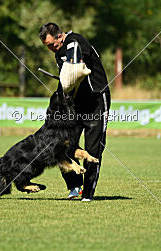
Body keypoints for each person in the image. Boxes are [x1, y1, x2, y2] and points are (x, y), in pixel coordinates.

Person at [39, 22, 111, 201]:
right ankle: (75, 186)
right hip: (75, 104)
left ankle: (88, 193)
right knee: (62, 143)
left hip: (96, 101)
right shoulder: (59, 52)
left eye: (52, 45)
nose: (51, 49)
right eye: (47, 47)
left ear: (60, 36)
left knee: (93, 149)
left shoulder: (74, 41)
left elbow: (75, 60)